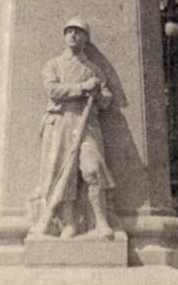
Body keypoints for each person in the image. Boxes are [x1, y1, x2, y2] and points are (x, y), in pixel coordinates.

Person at [29, 18, 116, 240]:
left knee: (92, 168)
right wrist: (82, 88)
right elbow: (53, 90)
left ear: (86, 38)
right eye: (69, 31)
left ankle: (101, 222)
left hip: (87, 123)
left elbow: (106, 98)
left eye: (78, 32)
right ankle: (69, 224)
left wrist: (98, 95)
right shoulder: (53, 65)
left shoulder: (94, 70)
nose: (73, 36)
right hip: (61, 122)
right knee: (63, 174)